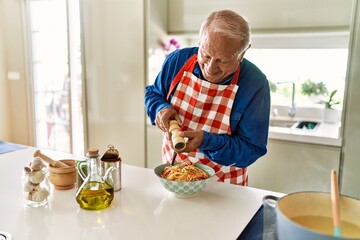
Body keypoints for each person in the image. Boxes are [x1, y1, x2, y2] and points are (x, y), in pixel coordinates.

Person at [144, 9, 270, 186]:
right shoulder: (177, 60)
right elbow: (153, 93)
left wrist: (208, 141)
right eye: (205, 54)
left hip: (225, 187)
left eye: (223, 61)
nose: (210, 69)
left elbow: (252, 149)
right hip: (175, 178)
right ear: (200, 40)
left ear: (243, 53)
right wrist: (160, 109)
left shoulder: (255, 84)